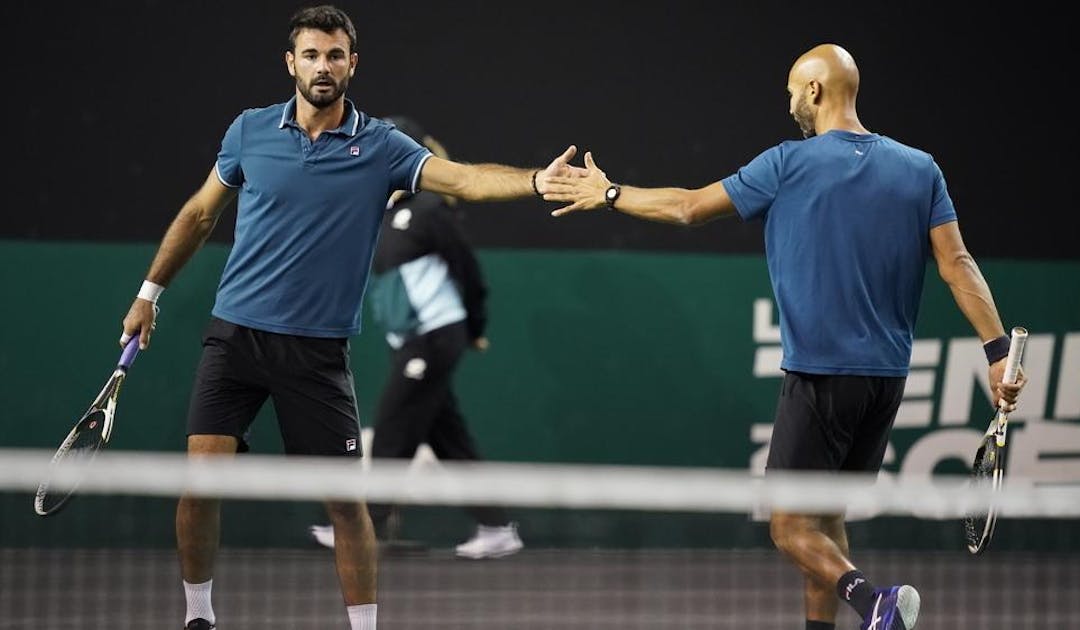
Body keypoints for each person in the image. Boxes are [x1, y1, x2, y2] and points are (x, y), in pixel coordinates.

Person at [117, 6, 579, 630]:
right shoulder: (250, 131)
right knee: (200, 481)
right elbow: (200, 214)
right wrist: (150, 292)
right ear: (291, 63)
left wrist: (534, 180)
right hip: (235, 337)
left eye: (335, 55)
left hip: (316, 352)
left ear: (352, 64)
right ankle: (199, 617)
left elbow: (465, 181)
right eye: (311, 55)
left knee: (345, 505)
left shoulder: (382, 146)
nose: (323, 66)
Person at [541, 43, 1027, 630]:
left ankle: (875, 602)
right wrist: (997, 352)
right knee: (823, 521)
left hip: (821, 376)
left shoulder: (787, 162)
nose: (790, 100)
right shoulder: (920, 168)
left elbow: (689, 208)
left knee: (788, 527)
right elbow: (958, 263)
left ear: (816, 91)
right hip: (885, 382)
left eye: (794, 89)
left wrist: (610, 194)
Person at [308, 115, 524, 560]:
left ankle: (362, 527)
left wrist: (475, 329)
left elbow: (470, 273)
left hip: (435, 338)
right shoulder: (377, 214)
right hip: (409, 342)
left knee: (393, 427)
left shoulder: (429, 211)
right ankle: (497, 527)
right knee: (449, 437)